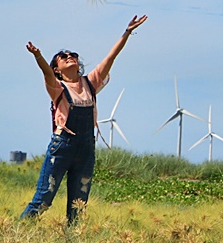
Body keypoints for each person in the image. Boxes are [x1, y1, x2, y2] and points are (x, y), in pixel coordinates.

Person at [21, 14, 148, 224]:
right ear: (56, 69)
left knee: (78, 206)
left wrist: (127, 33)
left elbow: (110, 57)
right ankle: (16, 232)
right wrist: (38, 56)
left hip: (86, 149)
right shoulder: (57, 88)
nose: (69, 56)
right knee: (44, 199)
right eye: (63, 56)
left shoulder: (91, 83)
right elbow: (45, 73)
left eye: (73, 55)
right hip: (62, 147)